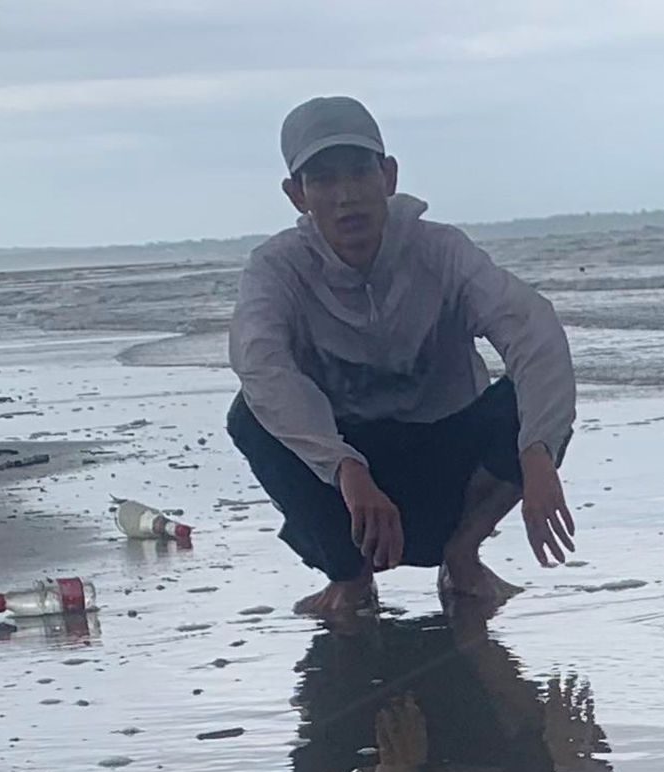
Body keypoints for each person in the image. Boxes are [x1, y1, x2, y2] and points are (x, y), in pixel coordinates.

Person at [228, 95, 579, 624]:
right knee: (249, 414)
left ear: (388, 176)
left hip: (446, 458)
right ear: (297, 194)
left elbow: (533, 331)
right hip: (349, 481)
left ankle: (463, 557)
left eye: (359, 172)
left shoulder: (440, 251)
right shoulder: (277, 271)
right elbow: (261, 366)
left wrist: (538, 453)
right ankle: (348, 578)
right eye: (323, 180)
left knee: (531, 402)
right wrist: (344, 465)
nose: (347, 197)